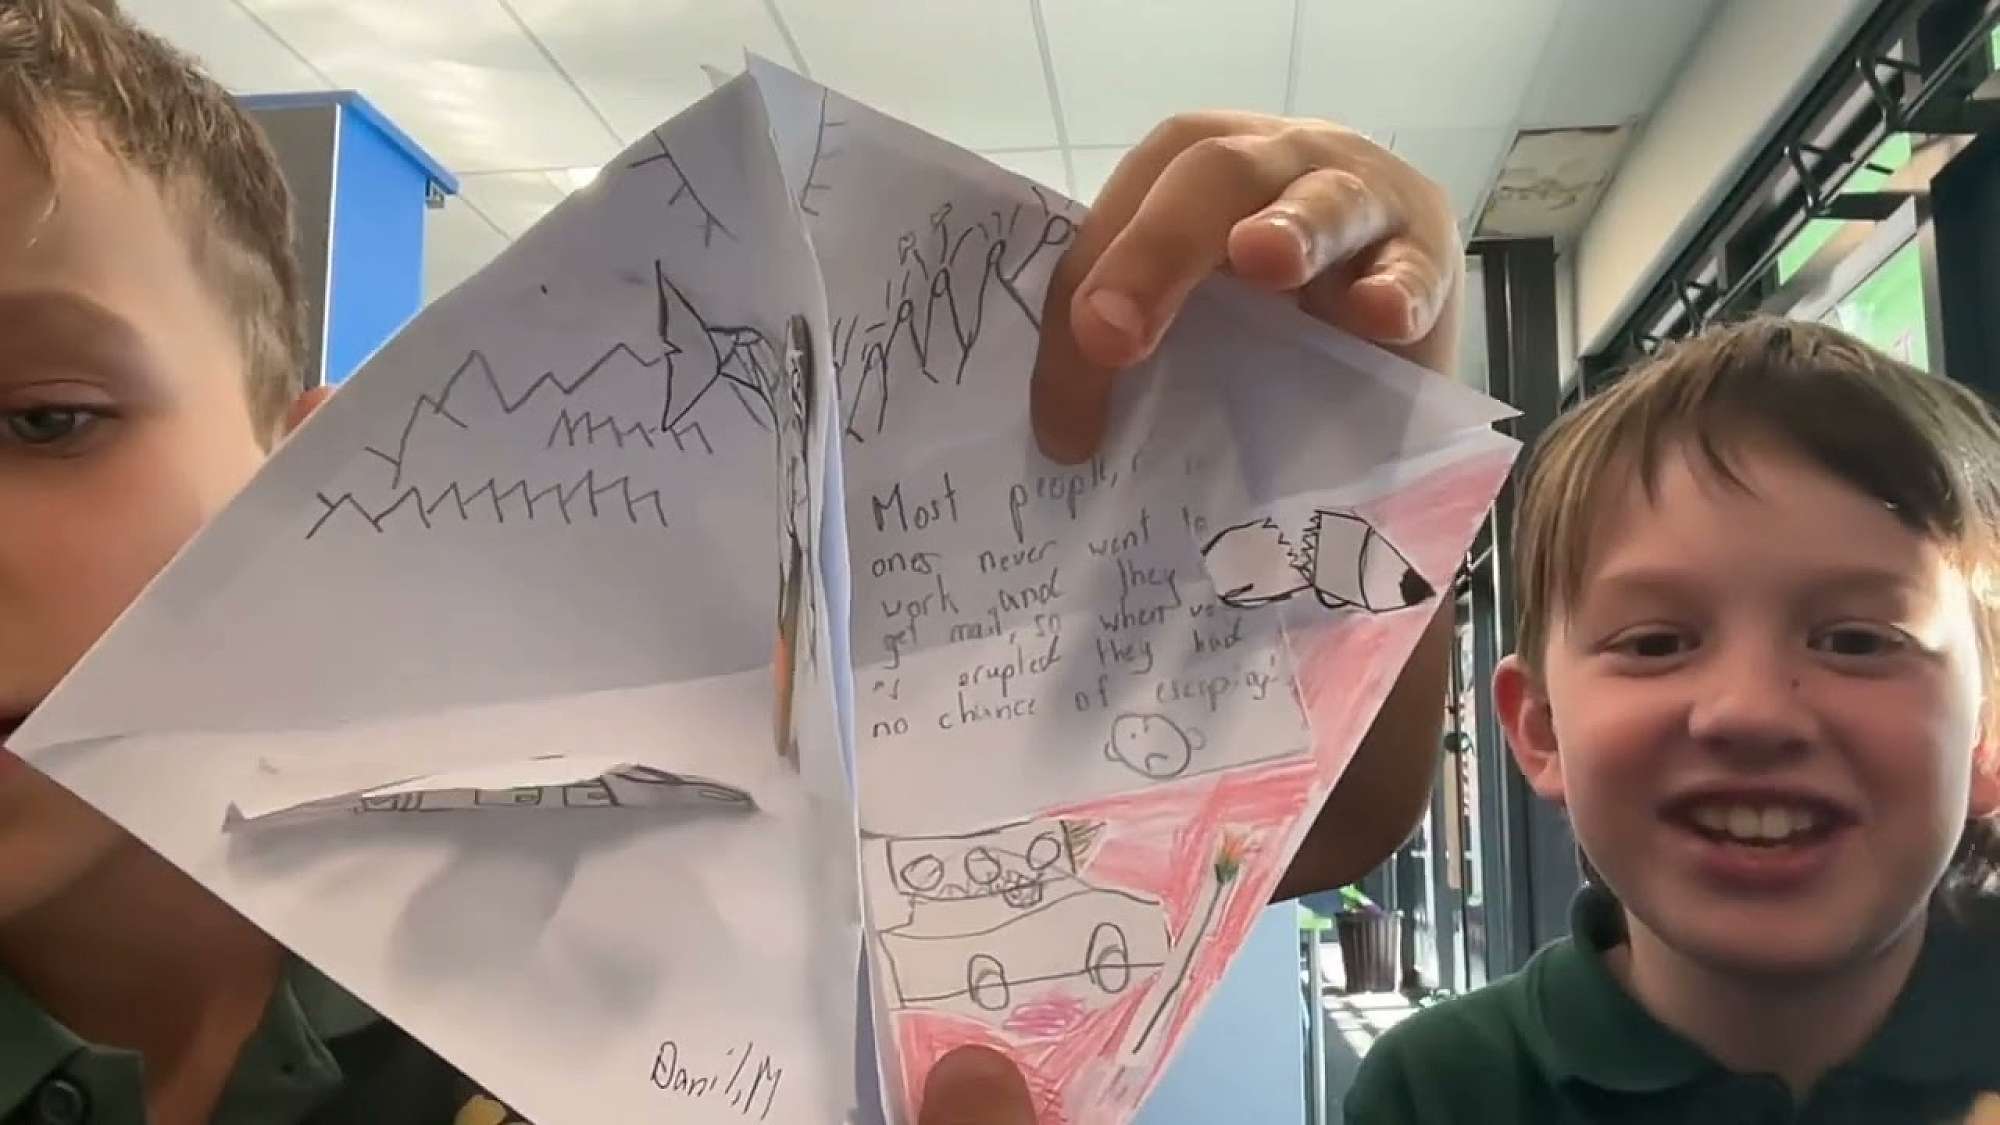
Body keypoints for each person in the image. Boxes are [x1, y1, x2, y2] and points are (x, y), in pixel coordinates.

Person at [0, 1, 1467, 1121]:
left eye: (44, 419)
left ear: (299, 485)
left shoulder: (580, 865)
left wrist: (1350, 414)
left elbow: (1320, 819)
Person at [1344, 317, 2000, 1123]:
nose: (1751, 711)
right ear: (1542, 730)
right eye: (1655, 643)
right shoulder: (1443, 1090)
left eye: (1858, 640)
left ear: (1988, 732)